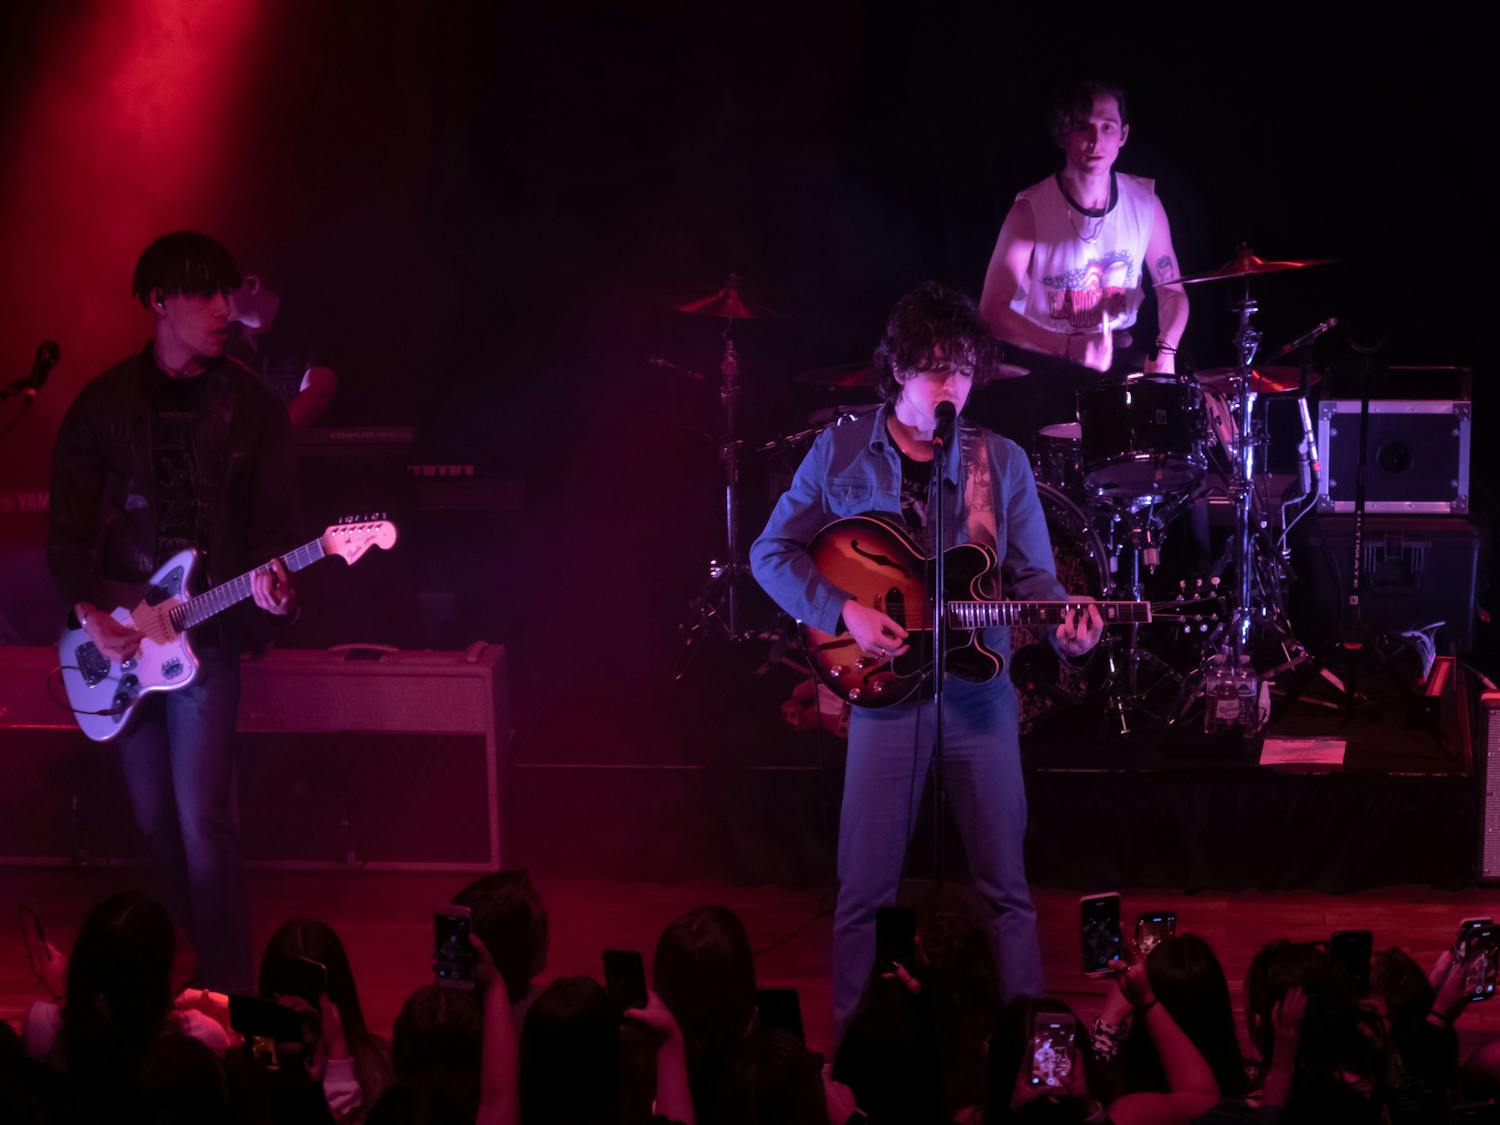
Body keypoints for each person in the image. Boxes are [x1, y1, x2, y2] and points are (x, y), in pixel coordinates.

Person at [749, 282, 1102, 1034]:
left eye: (965, 370)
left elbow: (1037, 579)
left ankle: (1026, 1053)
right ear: (898, 371)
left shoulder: (998, 462)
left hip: (980, 696)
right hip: (884, 696)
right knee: (865, 891)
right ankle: (855, 1057)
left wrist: (1069, 626)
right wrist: (840, 609)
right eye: (937, 368)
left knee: (1004, 883)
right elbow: (769, 554)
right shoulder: (839, 447)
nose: (953, 386)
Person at [47, 230, 302, 991]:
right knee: (157, 828)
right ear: (160, 302)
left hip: (207, 639)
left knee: (203, 825)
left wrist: (279, 585)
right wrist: (89, 610)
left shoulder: (254, 408)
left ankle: (232, 997)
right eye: (205, 293)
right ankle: (201, 967)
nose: (226, 308)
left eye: (228, 292)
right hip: (123, 641)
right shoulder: (102, 406)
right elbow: (64, 528)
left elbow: (277, 533)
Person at [978, 77, 1188, 378]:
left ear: (1123, 135)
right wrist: (1066, 347)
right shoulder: (1028, 211)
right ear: (1063, 135)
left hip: (1121, 356)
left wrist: (1166, 351)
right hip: (1047, 360)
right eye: (1082, 127)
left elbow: (1172, 292)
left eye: (1107, 127)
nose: (1095, 140)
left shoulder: (1146, 204)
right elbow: (991, 311)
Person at [227, 271, 340, 429]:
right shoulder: (222, 338)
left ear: (252, 284)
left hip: (302, 448)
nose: (210, 301)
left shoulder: (310, 323)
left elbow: (318, 391)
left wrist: (268, 440)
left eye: (218, 290)